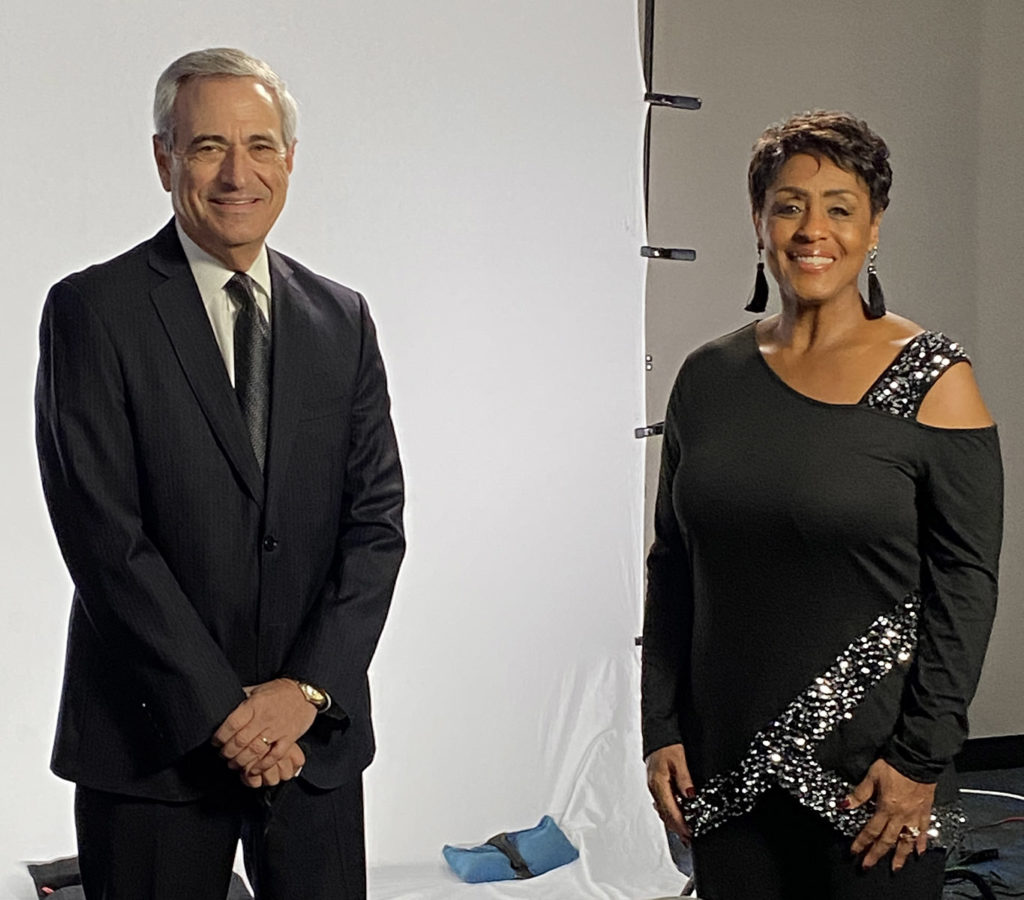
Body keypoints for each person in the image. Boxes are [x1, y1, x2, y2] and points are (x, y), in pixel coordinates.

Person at [35, 48, 404, 900]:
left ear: (289, 160)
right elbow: (103, 538)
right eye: (207, 147)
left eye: (261, 146)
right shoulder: (93, 311)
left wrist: (303, 693)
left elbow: (376, 522)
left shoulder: (340, 318)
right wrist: (227, 712)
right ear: (164, 158)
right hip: (153, 748)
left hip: (311, 744)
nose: (238, 173)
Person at [641, 111, 1003, 899]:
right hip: (723, 772)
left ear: (874, 227)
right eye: (789, 203)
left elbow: (965, 589)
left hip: (878, 786)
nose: (814, 228)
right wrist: (659, 727)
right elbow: (672, 566)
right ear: (760, 221)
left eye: (840, 206)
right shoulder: (706, 378)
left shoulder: (935, 381)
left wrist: (918, 762)